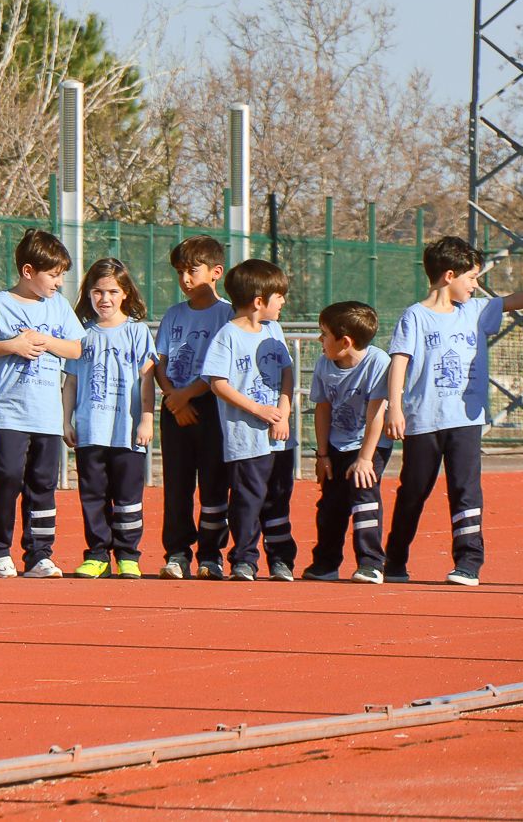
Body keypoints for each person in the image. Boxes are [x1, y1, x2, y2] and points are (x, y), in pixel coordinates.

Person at [383, 236, 523, 586]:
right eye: (472, 278)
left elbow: (521, 298)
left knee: (466, 489)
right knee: (413, 491)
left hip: (465, 420)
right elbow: (400, 362)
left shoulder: (476, 311)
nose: (475, 285)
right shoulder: (415, 316)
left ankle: (468, 562)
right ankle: (395, 559)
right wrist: (395, 407)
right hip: (423, 420)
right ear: (449, 275)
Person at [0, 229, 83, 579]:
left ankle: (39, 554)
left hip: (46, 416)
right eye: (53, 274)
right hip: (9, 413)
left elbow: (75, 349)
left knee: (43, 483)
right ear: (28, 271)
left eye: (62, 274)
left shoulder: (59, 307)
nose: (59, 282)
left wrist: (47, 342)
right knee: (7, 478)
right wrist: (12, 345)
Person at [198, 258, 296, 582]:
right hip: (246, 439)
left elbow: (286, 372)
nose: (283, 301)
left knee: (279, 499)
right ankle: (244, 559)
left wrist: (282, 411)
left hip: (278, 436)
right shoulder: (228, 335)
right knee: (247, 500)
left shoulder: (274, 329)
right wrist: (259, 410)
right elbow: (217, 382)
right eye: (278, 296)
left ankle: (281, 559)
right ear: (258, 302)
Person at [62, 257, 156, 579]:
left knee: (128, 497)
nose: (105, 299)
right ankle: (98, 554)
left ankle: (128, 554)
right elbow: (71, 381)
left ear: (126, 293)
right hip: (91, 431)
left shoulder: (138, 333)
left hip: (127, 432)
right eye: (98, 292)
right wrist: (66, 421)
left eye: (113, 292)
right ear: (89, 293)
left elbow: (147, 380)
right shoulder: (80, 335)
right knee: (93, 494)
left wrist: (146, 418)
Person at [153, 234, 232, 580]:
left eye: (192, 271)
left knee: (214, 484)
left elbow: (222, 369)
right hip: (174, 409)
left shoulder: (227, 314)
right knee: (177, 485)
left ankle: (211, 554)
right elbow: (160, 362)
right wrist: (173, 397)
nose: (185, 280)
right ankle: (177, 553)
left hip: (212, 407)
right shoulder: (173, 315)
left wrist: (188, 395)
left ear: (215, 272)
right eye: (179, 272)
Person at [303, 301, 394, 584]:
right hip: (336, 445)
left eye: (324, 334)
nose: (320, 340)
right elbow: (322, 408)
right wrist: (322, 455)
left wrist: (365, 459)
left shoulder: (378, 362)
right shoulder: (324, 363)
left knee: (363, 496)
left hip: (370, 443)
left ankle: (370, 563)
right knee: (330, 504)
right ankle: (325, 564)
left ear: (345, 342)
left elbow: (376, 413)